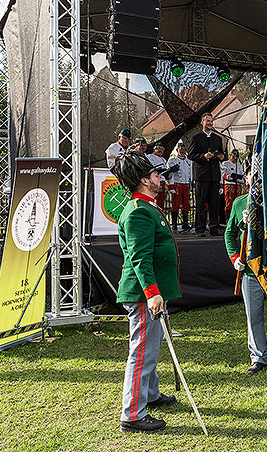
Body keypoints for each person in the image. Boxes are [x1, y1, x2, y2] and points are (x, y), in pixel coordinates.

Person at [110, 151, 182, 433]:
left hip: (150, 292)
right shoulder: (139, 211)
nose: (159, 179)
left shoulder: (147, 206)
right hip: (143, 294)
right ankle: (132, 414)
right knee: (142, 353)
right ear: (143, 180)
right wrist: (152, 292)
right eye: (155, 175)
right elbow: (140, 257)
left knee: (150, 348)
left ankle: (149, 395)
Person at [224, 167, 267, 380]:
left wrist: (264, 213)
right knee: (253, 317)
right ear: (246, 177)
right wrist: (235, 257)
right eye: (253, 175)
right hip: (250, 271)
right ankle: (258, 357)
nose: (257, 179)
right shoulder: (239, 203)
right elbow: (229, 233)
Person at [187, 113, 225, 237]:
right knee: (201, 203)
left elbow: (222, 154)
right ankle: (200, 229)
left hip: (214, 175)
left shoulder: (218, 139)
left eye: (211, 121)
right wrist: (203, 156)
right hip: (202, 176)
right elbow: (191, 155)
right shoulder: (196, 138)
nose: (210, 123)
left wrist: (221, 156)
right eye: (207, 121)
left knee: (214, 203)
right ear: (202, 122)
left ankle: (214, 227)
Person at [166, 141, 193, 232]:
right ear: (177, 150)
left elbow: (191, 174)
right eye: (180, 149)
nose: (182, 150)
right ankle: (174, 223)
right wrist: (171, 186)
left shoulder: (189, 161)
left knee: (186, 204)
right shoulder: (173, 160)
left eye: (183, 149)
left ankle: (185, 223)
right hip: (177, 184)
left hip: (186, 184)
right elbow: (171, 174)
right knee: (175, 204)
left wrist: (192, 185)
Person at [221, 149, 245, 221]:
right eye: (233, 156)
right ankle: (228, 219)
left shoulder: (239, 165)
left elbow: (243, 176)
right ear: (230, 155)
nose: (234, 158)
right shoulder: (225, 163)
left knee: (238, 202)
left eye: (236, 157)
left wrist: (240, 179)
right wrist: (230, 177)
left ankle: (237, 219)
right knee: (229, 202)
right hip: (229, 185)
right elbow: (223, 174)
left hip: (238, 185)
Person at [146, 141, 168, 211]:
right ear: (154, 149)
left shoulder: (163, 160)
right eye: (158, 148)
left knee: (161, 202)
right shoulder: (150, 157)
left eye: (162, 149)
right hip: (154, 182)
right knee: (154, 200)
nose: (160, 150)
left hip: (162, 182)